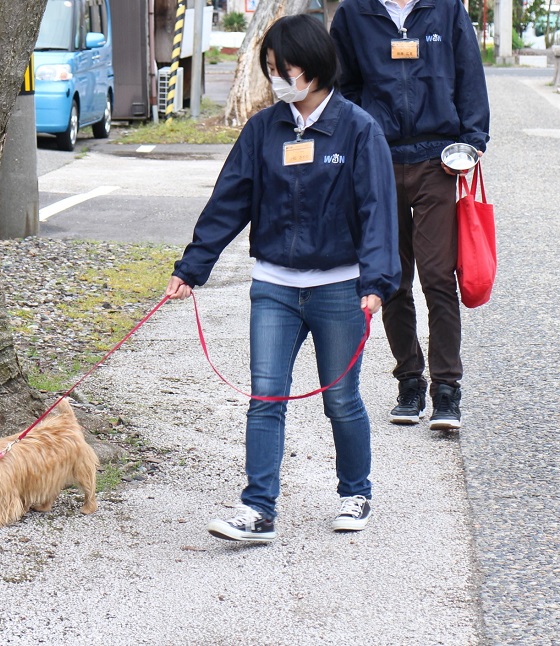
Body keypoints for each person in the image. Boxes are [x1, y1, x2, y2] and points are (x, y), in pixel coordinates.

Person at [165, 15, 400, 542]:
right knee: (265, 397)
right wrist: (191, 268)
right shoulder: (262, 129)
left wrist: (376, 283)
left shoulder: (359, 129)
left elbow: (378, 210)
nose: (277, 77)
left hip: (340, 288)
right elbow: (228, 201)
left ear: (314, 67)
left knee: (341, 399)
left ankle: (355, 491)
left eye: (284, 67)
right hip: (272, 286)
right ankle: (258, 509)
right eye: (269, 68)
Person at [330, 0, 491, 430]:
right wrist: (353, 141)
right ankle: (409, 381)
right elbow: (342, 86)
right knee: (392, 279)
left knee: (438, 276)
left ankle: (446, 389)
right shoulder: (354, 13)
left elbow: (468, 73)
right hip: (378, 158)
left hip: (436, 160)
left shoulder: (446, 9)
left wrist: (473, 140)